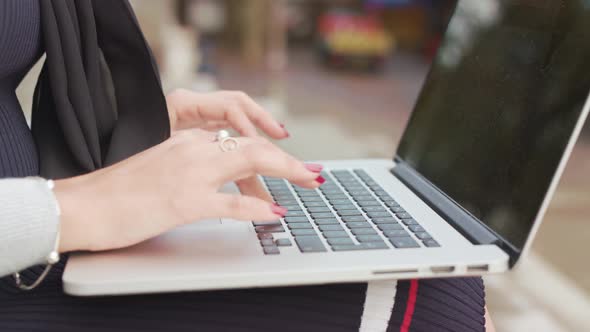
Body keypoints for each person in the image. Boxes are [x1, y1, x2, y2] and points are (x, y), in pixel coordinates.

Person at [0, 1, 490, 331]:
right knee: (440, 301)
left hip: (39, 229)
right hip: (25, 265)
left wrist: (134, 131)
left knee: (442, 274)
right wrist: (78, 208)